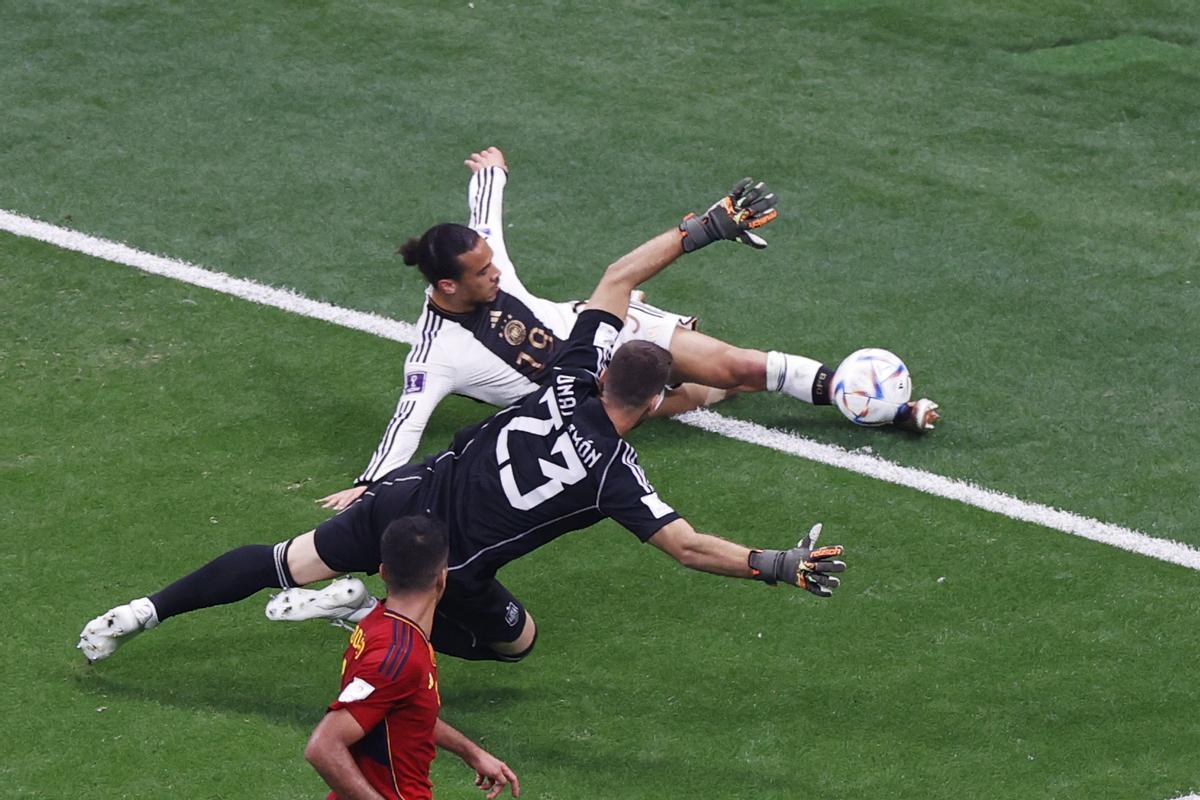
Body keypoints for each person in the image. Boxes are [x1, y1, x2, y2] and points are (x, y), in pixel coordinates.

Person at [78, 177, 847, 668]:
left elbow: (618, 277)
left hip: (403, 500)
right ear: (652, 404)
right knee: (516, 642)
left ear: (607, 370)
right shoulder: (614, 476)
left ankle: (144, 610)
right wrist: (774, 563)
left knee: (280, 558)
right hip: (450, 559)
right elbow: (688, 547)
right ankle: (366, 607)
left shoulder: (569, 375)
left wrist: (706, 226)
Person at [318, 147, 939, 512]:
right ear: (447, 286)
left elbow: (486, 209)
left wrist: (493, 168)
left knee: (740, 366)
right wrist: (368, 486)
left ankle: (886, 408)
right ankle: (714, 383)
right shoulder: (435, 356)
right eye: (481, 273)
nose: (495, 273)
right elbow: (408, 421)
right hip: (592, 401)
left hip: (607, 326)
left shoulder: (481, 256)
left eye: (490, 263)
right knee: (714, 391)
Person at [305, 515, 518, 800]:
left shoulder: (382, 624)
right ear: (442, 577)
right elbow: (323, 747)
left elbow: (402, 708)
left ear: (383, 572)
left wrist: (471, 752)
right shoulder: (399, 657)